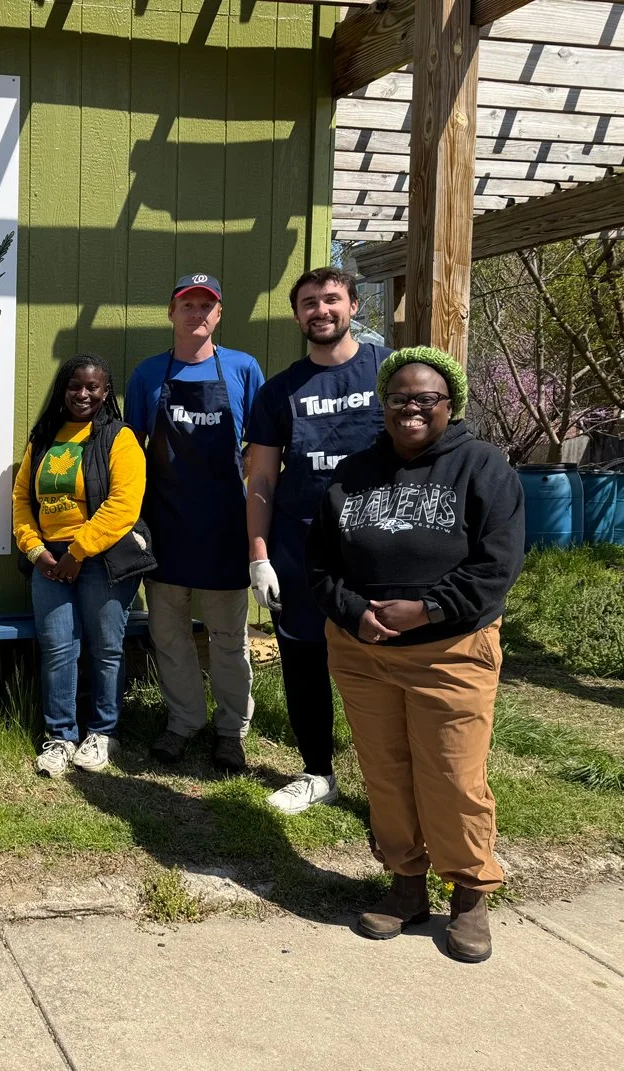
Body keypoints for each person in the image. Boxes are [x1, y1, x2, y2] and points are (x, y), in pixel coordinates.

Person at [307, 346, 524, 963]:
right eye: (399, 397)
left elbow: (497, 566)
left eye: (425, 398)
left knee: (452, 776)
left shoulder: (482, 468)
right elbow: (319, 562)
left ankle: (469, 891)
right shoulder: (353, 473)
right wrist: (356, 612)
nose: (411, 408)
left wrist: (426, 609)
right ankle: (406, 883)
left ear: (448, 405)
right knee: (386, 773)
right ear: (384, 404)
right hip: (362, 650)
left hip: (450, 652)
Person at [244, 267, 391, 814]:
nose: (321, 310)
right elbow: (260, 478)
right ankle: (317, 772)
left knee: (383, 667)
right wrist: (259, 555)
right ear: (297, 315)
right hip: (300, 547)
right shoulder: (279, 391)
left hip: (380, 548)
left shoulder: (389, 371)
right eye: (309, 302)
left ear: (353, 305)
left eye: (332, 299)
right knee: (304, 661)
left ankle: (388, 782)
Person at [125, 273, 264, 772]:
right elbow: (132, 452)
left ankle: (231, 731)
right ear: (171, 312)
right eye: (188, 304)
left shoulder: (245, 370)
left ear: (219, 314)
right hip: (167, 527)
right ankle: (183, 722)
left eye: (207, 305)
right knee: (169, 634)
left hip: (226, 528)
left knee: (229, 639)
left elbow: (261, 453)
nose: (197, 313)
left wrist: (258, 535)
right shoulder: (146, 375)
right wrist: (135, 522)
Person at [13, 354, 155, 778]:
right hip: (48, 559)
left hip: (101, 558)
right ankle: (59, 737)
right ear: (63, 389)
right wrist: (35, 550)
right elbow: (22, 500)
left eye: (93, 387)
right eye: (75, 386)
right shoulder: (44, 439)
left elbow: (123, 506)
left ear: (106, 392)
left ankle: (102, 733)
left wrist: (78, 552)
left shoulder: (119, 438)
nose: (83, 394)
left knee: (106, 648)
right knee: (58, 647)